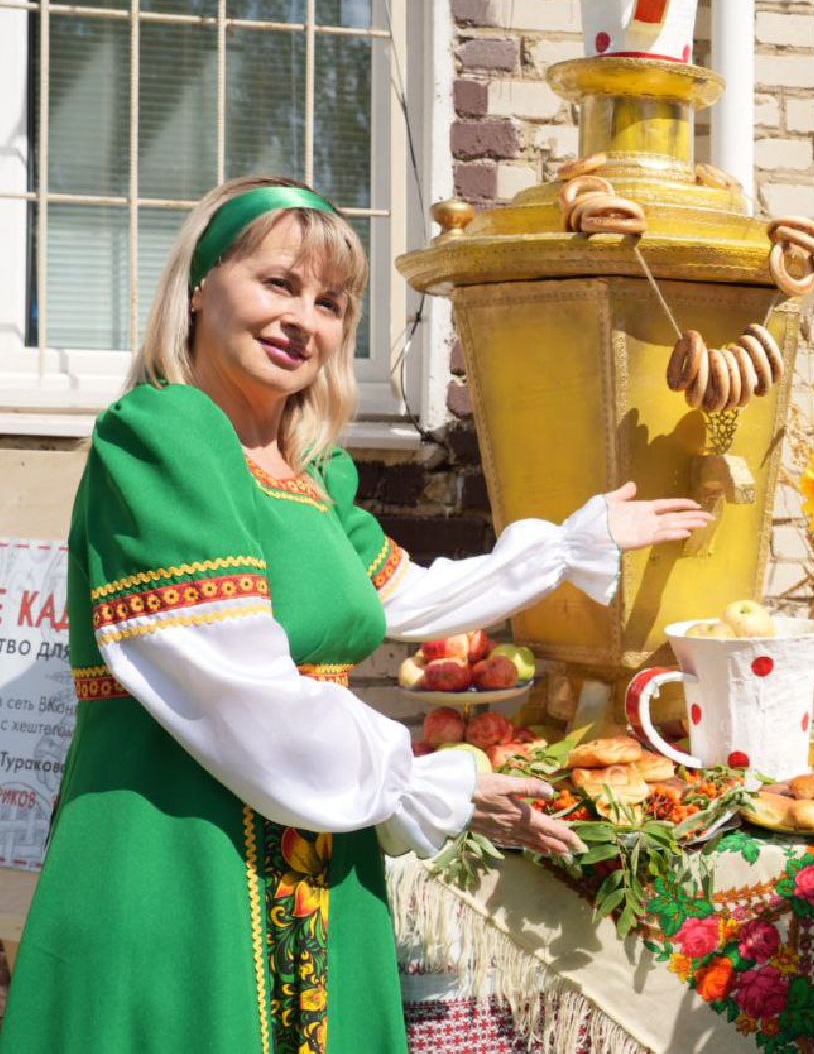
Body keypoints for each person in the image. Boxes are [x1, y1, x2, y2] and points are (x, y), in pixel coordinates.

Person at [0, 176, 713, 1052]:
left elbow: (407, 597)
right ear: (198, 288)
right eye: (277, 283)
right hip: (182, 846)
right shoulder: (166, 435)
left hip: (312, 840)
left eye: (331, 302)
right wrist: (424, 783)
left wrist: (576, 541)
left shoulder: (308, 473)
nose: (304, 318)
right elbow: (234, 688)